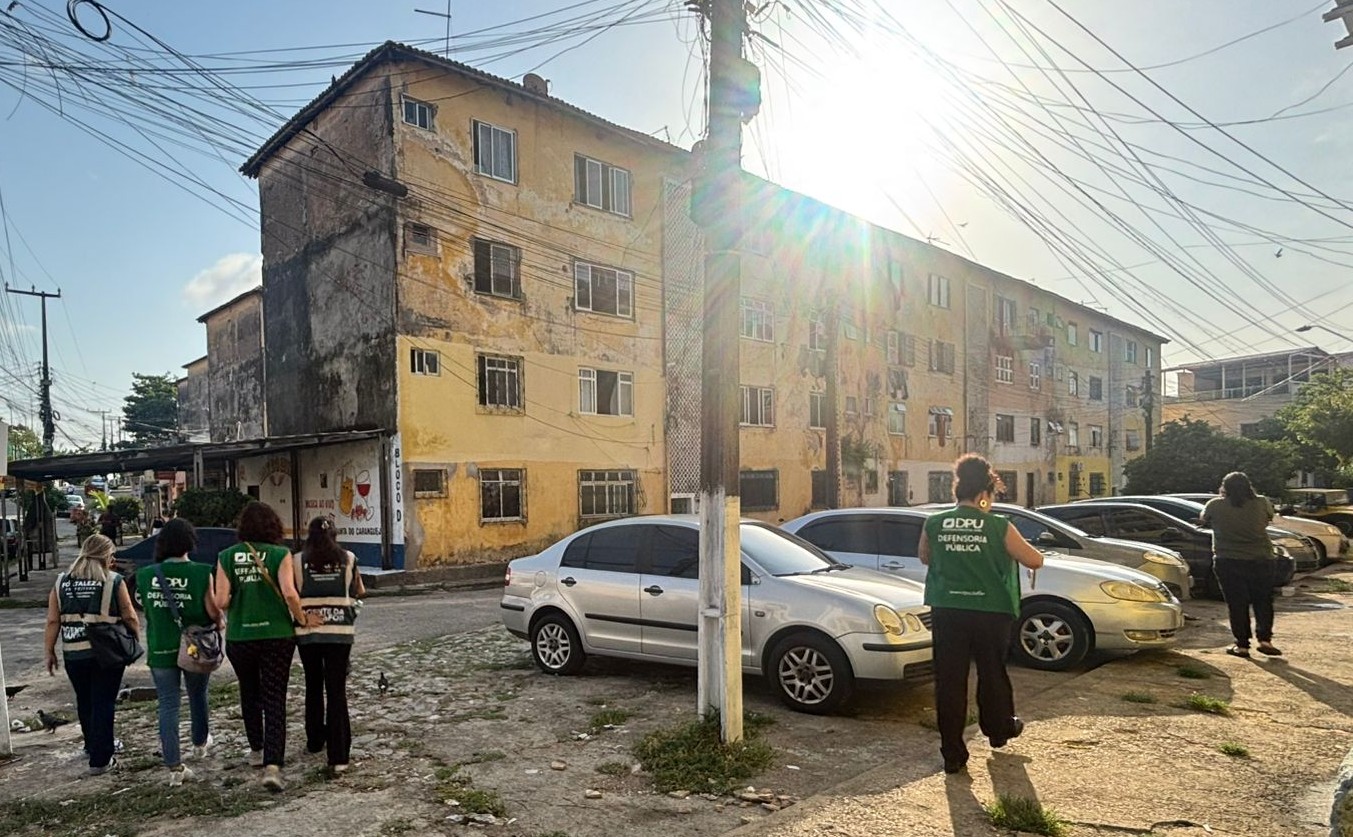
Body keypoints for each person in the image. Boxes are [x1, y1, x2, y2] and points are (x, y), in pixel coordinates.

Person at [918, 454, 1044, 775]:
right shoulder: (998, 524)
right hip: (990, 612)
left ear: (957, 489)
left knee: (949, 681)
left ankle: (952, 754)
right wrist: (984, 515)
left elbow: (924, 558)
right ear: (985, 492)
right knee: (991, 672)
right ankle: (999, 730)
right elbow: (1034, 561)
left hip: (947, 610)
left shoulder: (934, 523)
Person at [214, 501, 309, 792]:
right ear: (273, 527)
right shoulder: (281, 554)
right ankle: (272, 764)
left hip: (241, 637)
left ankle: (256, 750)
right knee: (275, 697)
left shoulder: (226, 556)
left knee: (249, 692)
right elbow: (291, 594)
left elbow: (221, 601)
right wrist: (303, 620)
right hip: (277, 635)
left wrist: (241, 594)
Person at [43, 534, 141, 775]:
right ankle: (101, 758)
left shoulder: (61, 582)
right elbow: (129, 615)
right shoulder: (113, 580)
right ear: (106, 556)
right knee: (104, 702)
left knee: (85, 701)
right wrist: (134, 639)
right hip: (106, 654)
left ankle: (91, 745)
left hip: (74, 654)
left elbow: (53, 620)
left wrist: (49, 651)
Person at [135, 518, 222, 786]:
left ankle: (174, 766)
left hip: (161, 646)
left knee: (168, 704)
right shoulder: (201, 572)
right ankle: (199, 744)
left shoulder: (146, 575)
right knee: (198, 694)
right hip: (195, 647)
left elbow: (147, 611)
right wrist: (221, 621)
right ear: (190, 542)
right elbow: (212, 611)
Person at [295, 517, 366, 774]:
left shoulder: (296, 561)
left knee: (313, 684)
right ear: (334, 535)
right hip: (340, 632)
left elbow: (291, 594)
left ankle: (315, 740)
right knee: (337, 690)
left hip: (309, 632)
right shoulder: (349, 558)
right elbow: (360, 589)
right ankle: (339, 756)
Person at [1201, 472, 1281, 658]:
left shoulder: (1215, 505)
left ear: (1224, 487)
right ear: (1248, 486)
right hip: (1261, 559)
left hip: (1228, 560)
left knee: (1237, 604)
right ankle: (1265, 640)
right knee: (1263, 601)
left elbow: (1203, 519)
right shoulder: (1261, 502)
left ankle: (1242, 645)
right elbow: (1268, 519)